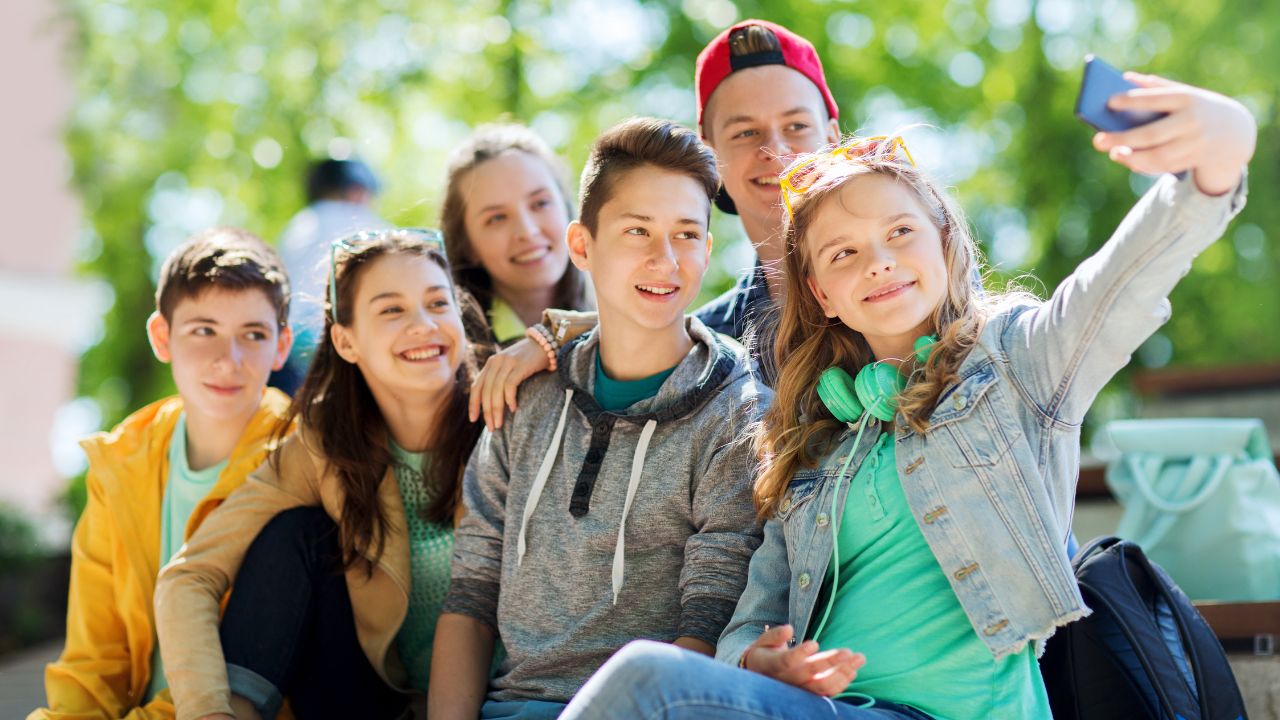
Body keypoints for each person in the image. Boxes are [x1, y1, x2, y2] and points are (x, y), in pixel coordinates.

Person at [557, 74, 1255, 719]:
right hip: (832, 711)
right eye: (843, 253)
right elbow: (754, 612)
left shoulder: (1015, 366)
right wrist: (756, 657)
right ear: (823, 295)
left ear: (944, 242)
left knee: (648, 680)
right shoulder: (811, 437)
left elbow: (1118, 288)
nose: (880, 261)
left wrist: (1212, 168)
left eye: (899, 233)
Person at [429, 118, 771, 720]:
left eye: (686, 234)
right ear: (582, 246)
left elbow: (707, 617)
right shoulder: (524, 394)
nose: (665, 259)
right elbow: (473, 594)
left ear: (709, 249)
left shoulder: (736, 411)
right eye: (637, 230)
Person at [154, 229, 486, 720]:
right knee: (295, 534)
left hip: (512, 697)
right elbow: (189, 576)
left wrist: (546, 337)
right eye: (391, 309)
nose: (423, 325)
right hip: (378, 703)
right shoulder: (320, 448)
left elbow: (620, 337)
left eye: (438, 304)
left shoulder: (512, 406)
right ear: (346, 341)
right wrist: (208, 713)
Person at [467, 20, 839, 427]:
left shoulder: (899, 284)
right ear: (711, 156)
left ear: (833, 137)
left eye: (796, 126)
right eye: (746, 131)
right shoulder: (711, 350)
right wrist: (556, 340)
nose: (774, 150)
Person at [31, 228, 294, 720]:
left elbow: (250, 667)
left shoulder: (300, 457)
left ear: (281, 347)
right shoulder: (121, 465)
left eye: (252, 335)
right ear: (161, 336)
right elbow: (94, 660)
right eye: (203, 330)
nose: (228, 360)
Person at [440, 123, 592, 345]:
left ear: (567, 209)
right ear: (467, 246)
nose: (527, 231)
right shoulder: (454, 350)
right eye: (497, 218)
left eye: (540, 203)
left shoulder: (625, 311)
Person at [273, 158, 388, 393]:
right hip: (335, 349)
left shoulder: (296, 227)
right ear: (357, 191)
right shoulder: (363, 223)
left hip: (285, 353)